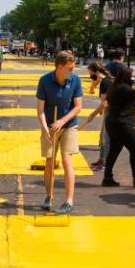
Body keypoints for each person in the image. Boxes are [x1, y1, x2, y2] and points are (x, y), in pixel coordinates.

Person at [35, 50, 83, 213]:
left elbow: (78, 107)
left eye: (73, 67)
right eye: (70, 68)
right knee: (50, 161)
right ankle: (49, 196)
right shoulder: (45, 81)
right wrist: (45, 128)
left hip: (69, 124)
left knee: (66, 159)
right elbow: (40, 110)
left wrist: (62, 121)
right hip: (50, 126)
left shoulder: (75, 80)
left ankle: (69, 201)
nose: (73, 71)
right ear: (60, 67)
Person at [102, 66, 135, 189]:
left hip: (112, 122)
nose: (133, 79)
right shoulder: (123, 88)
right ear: (127, 77)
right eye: (131, 76)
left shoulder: (115, 86)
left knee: (114, 150)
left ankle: (107, 177)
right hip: (122, 123)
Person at [78, 61, 112, 171]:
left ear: (93, 71)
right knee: (102, 137)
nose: (89, 74)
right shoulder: (103, 80)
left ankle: (106, 163)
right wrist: (95, 82)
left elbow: (105, 102)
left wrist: (93, 114)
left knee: (106, 138)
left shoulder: (105, 82)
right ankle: (102, 159)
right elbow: (94, 89)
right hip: (108, 111)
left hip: (112, 112)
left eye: (89, 71)